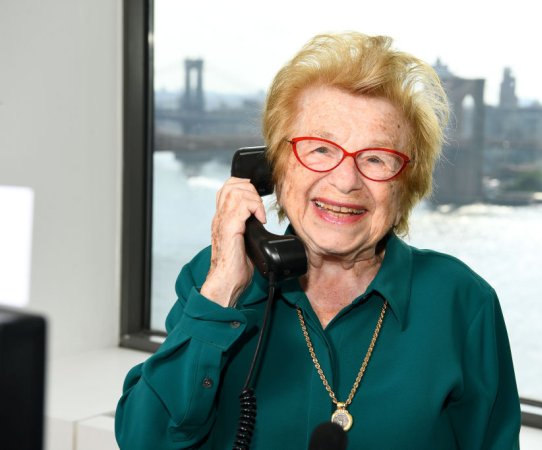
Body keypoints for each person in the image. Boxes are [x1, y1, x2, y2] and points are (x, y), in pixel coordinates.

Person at [115, 32, 521, 449]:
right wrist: (220, 294)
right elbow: (143, 441)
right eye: (321, 150)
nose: (346, 181)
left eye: (376, 158)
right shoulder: (211, 278)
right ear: (276, 167)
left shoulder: (463, 303)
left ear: (406, 186)